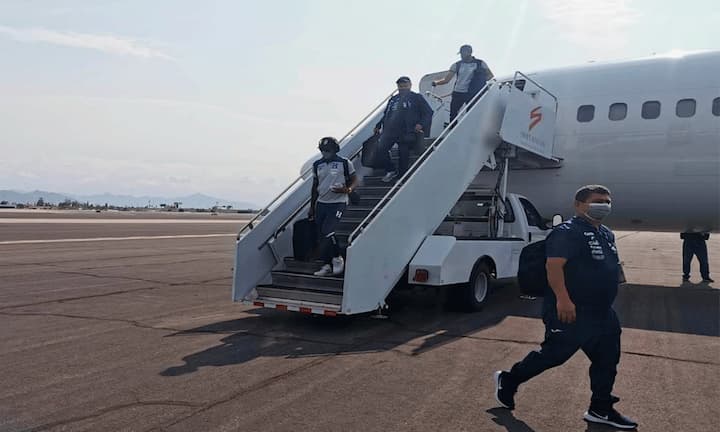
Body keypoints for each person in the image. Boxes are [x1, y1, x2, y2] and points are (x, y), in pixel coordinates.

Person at [494, 185, 638, 430]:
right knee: (554, 355)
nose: (604, 205)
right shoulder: (567, 232)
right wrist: (563, 299)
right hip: (570, 309)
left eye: (607, 201)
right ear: (579, 205)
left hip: (602, 312)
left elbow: (611, 262)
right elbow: (554, 266)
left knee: (607, 360)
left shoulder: (606, 233)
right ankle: (509, 379)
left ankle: (600, 408)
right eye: (597, 201)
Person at [308, 137, 358, 276]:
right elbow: (315, 186)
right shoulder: (317, 164)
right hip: (322, 203)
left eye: (328, 150)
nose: (325, 153)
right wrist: (312, 206)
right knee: (321, 235)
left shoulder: (344, 163)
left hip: (338, 202)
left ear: (335, 149)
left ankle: (337, 258)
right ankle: (326, 264)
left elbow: (355, 180)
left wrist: (348, 190)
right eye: (323, 150)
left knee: (328, 230)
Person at [373, 76, 433, 183]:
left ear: (410, 85)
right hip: (390, 131)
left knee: (403, 153)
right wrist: (378, 125)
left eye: (405, 86)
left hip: (406, 131)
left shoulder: (416, 97)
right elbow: (387, 114)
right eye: (400, 86)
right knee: (380, 148)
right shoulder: (393, 99)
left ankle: (402, 177)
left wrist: (421, 124)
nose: (403, 88)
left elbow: (428, 112)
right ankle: (391, 170)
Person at [432, 44, 494, 122]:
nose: (461, 55)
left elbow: (491, 76)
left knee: (470, 113)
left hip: (472, 93)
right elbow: (447, 80)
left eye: (463, 53)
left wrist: (478, 81)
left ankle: (467, 129)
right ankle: (452, 129)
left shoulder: (480, 63)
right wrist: (436, 83)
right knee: (453, 113)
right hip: (458, 92)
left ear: (469, 52)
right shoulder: (456, 65)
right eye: (461, 53)